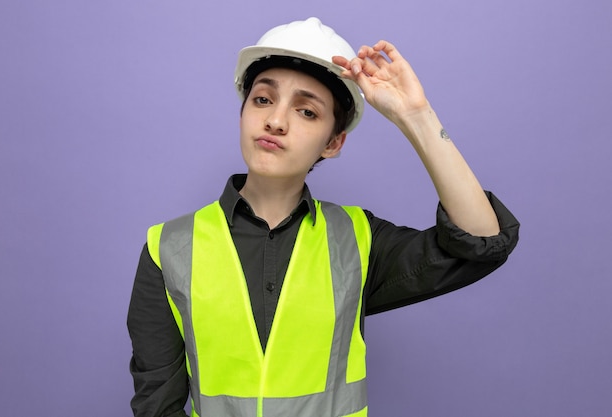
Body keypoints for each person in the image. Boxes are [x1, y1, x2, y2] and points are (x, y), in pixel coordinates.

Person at [127, 17, 519, 417]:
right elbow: (158, 403)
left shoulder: (358, 242)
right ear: (242, 112)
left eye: (307, 112)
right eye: (263, 99)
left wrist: (416, 116)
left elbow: (481, 241)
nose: (276, 121)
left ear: (333, 143)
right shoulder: (170, 248)